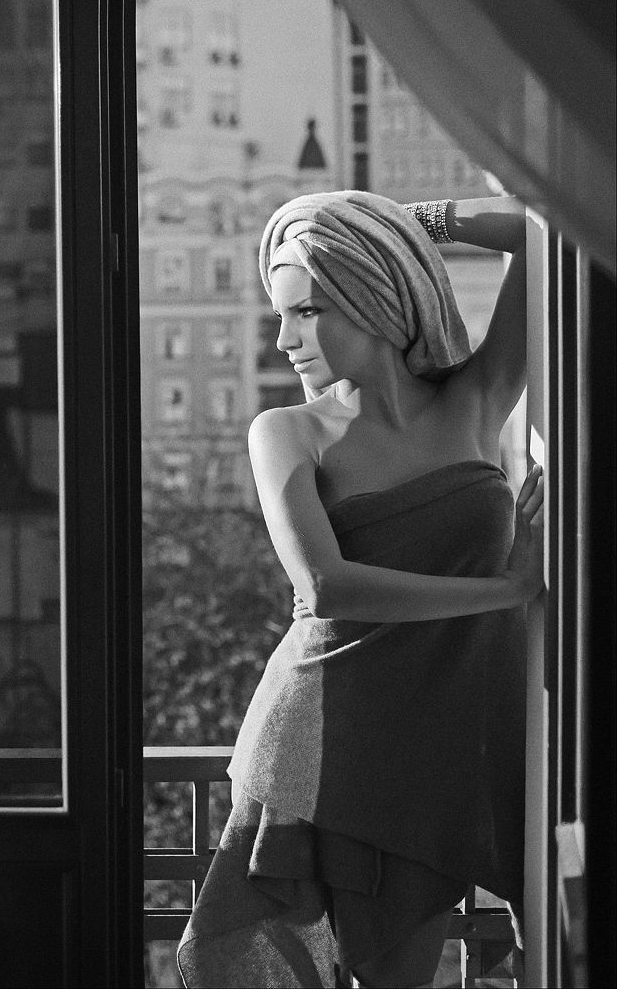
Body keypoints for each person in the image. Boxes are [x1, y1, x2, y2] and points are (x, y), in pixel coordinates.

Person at [177, 190, 541, 989]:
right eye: (281, 314)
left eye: (307, 312)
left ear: (375, 298)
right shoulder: (287, 433)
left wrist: (409, 222)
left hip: (450, 742)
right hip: (330, 740)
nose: (284, 339)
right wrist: (508, 588)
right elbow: (326, 588)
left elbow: (540, 232)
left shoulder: (475, 399)